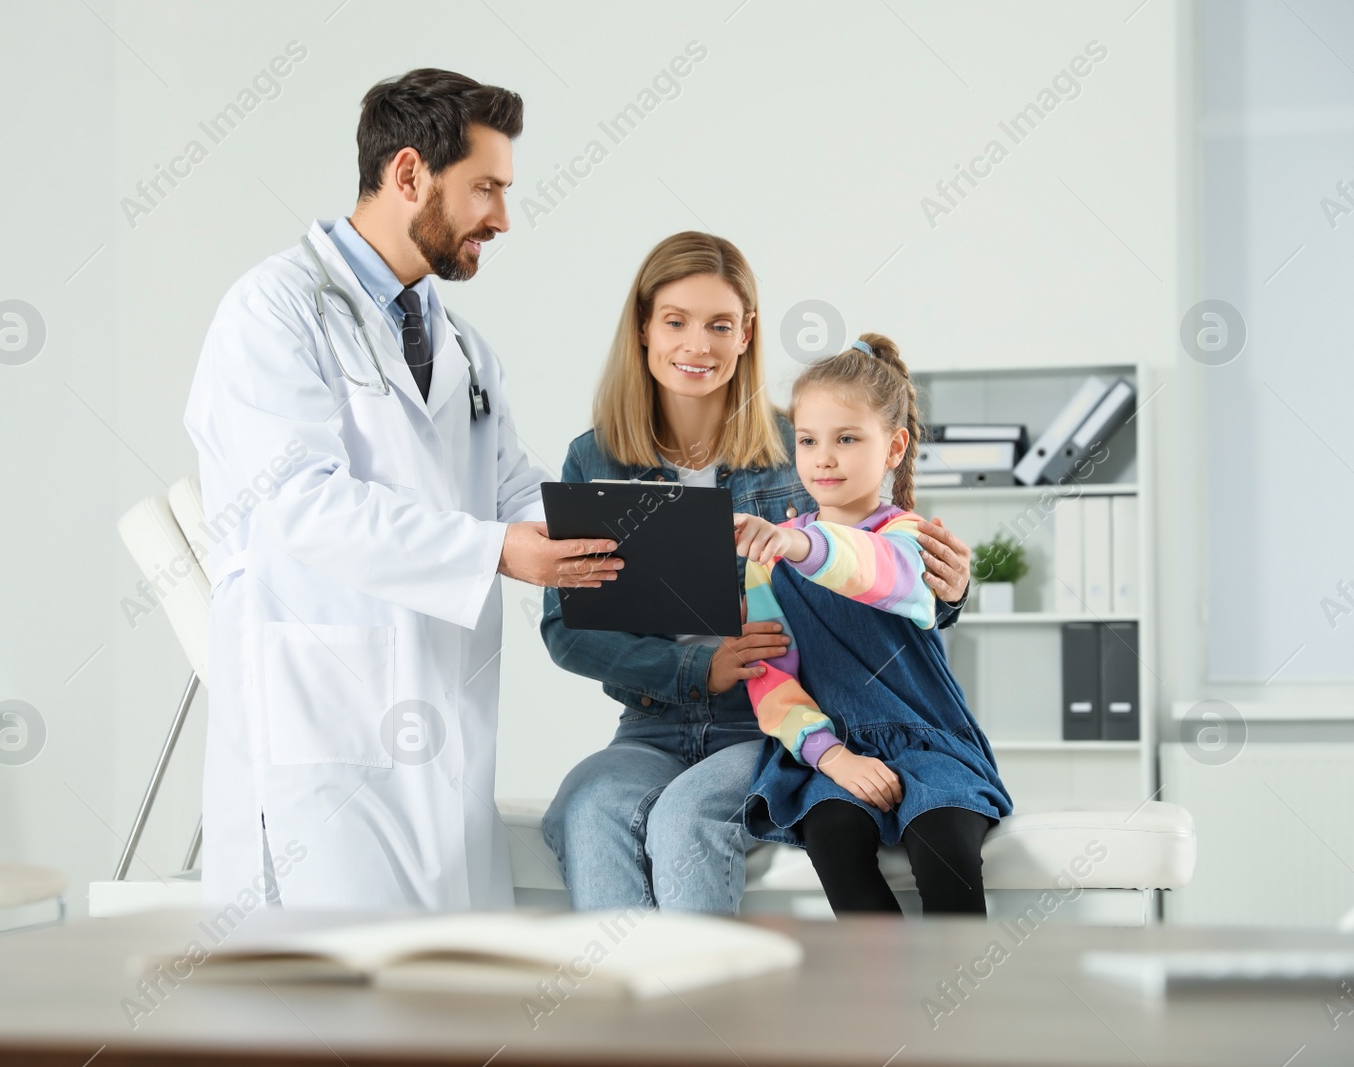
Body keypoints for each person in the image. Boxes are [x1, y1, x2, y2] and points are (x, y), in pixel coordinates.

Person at [183, 69, 619, 911]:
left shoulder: (459, 344)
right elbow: (300, 505)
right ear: (410, 173)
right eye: (486, 187)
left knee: (447, 1017)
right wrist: (498, 550)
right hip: (323, 732)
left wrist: (666, 535)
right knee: (332, 1025)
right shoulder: (273, 312)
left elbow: (513, 491)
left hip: (442, 744)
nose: (501, 216)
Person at [540, 235, 975, 913]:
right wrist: (694, 669)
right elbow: (567, 629)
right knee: (591, 805)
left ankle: (706, 1011)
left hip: (770, 727)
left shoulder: (799, 445)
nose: (697, 344)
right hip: (650, 725)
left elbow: (878, 570)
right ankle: (622, 1010)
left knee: (685, 818)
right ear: (644, 329)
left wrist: (949, 592)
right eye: (676, 320)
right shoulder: (595, 456)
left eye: (719, 324)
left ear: (746, 334)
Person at [734, 333, 1013, 916]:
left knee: (945, 849)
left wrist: (796, 541)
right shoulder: (768, 561)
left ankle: (962, 997)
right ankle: (880, 1000)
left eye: (847, 439)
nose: (824, 457)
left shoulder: (909, 539)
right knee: (833, 836)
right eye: (808, 440)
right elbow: (770, 679)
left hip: (927, 741)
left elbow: (875, 573)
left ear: (893, 447)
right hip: (832, 749)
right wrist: (831, 756)